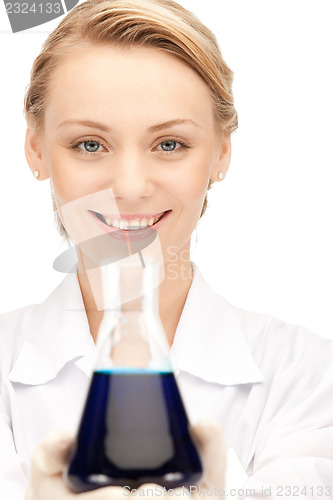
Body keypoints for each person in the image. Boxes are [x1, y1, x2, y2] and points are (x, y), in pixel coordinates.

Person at [0, 0, 333, 498]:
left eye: (170, 144)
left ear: (221, 153)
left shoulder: (306, 375)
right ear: (36, 149)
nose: (130, 187)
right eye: (90, 144)